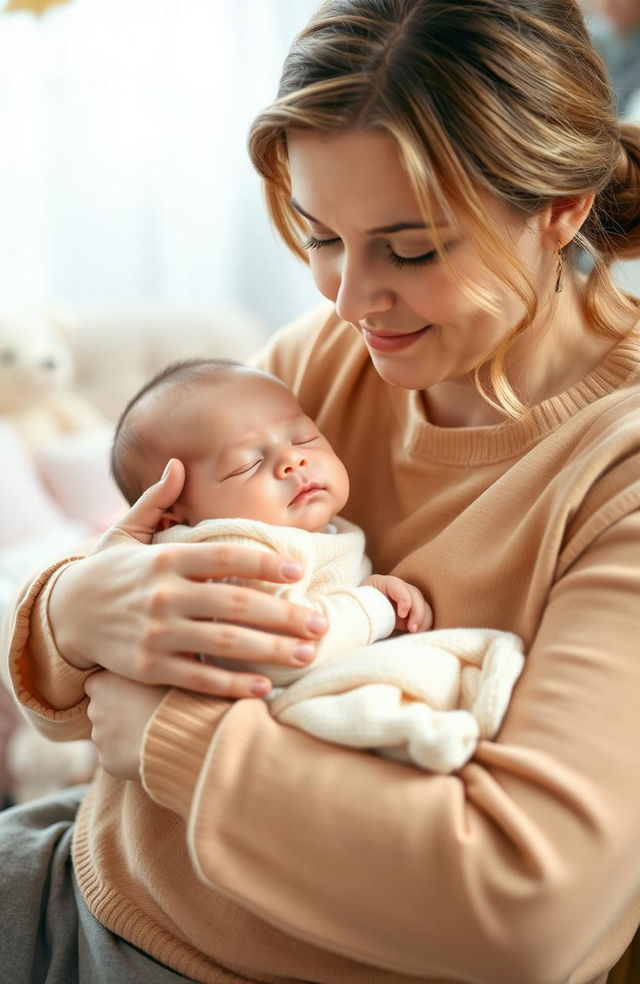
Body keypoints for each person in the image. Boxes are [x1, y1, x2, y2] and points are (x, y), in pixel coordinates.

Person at [2, 0, 640, 982]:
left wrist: (178, 739)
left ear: (559, 208)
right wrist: (77, 609)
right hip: (93, 873)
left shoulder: (617, 469)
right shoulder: (330, 357)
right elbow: (70, 684)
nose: (347, 299)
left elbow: (529, 913)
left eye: (412, 249)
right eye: (319, 234)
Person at [109, 356, 521, 773]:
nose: (293, 460)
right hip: (262, 725)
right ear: (171, 514)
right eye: (246, 464)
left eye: (304, 438)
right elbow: (275, 649)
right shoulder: (227, 546)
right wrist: (372, 606)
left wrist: (360, 595)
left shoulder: (302, 527)